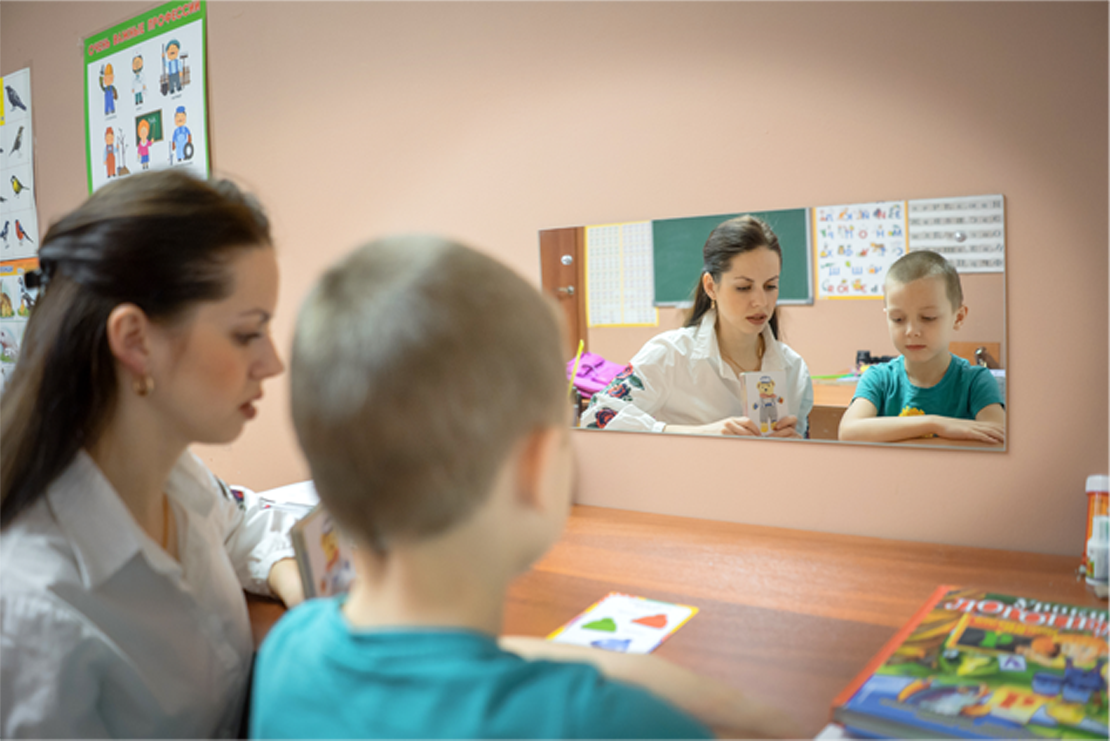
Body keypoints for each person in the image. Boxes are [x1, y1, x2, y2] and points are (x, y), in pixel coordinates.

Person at [251, 236, 800, 740]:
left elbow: (459, 654)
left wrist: (714, 697)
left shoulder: (291, 644)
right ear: (537, 469)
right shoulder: (609, 725)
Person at [0, 170, 304, 740]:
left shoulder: (176, 473)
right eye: (247, 334)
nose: (273, 363)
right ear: (136, 341)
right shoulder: (33, 615)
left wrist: (304, 593)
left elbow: (243, 526)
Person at [580, 215, 813, 437]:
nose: (761, 301)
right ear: (711, 286)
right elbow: (595, 419)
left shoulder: (794, 369)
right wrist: (697, 433)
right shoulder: (670, 354)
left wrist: (793, 445)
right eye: (743, 288)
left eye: (770, 286)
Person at [838, 250, 1005, 444]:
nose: (912, 331)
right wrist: (935, 424)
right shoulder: (879, 379)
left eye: (928, 318)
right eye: (898, 319)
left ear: (958, 317)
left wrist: (893, 440)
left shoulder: (975, 381)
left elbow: (998, 441)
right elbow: (848, 433)